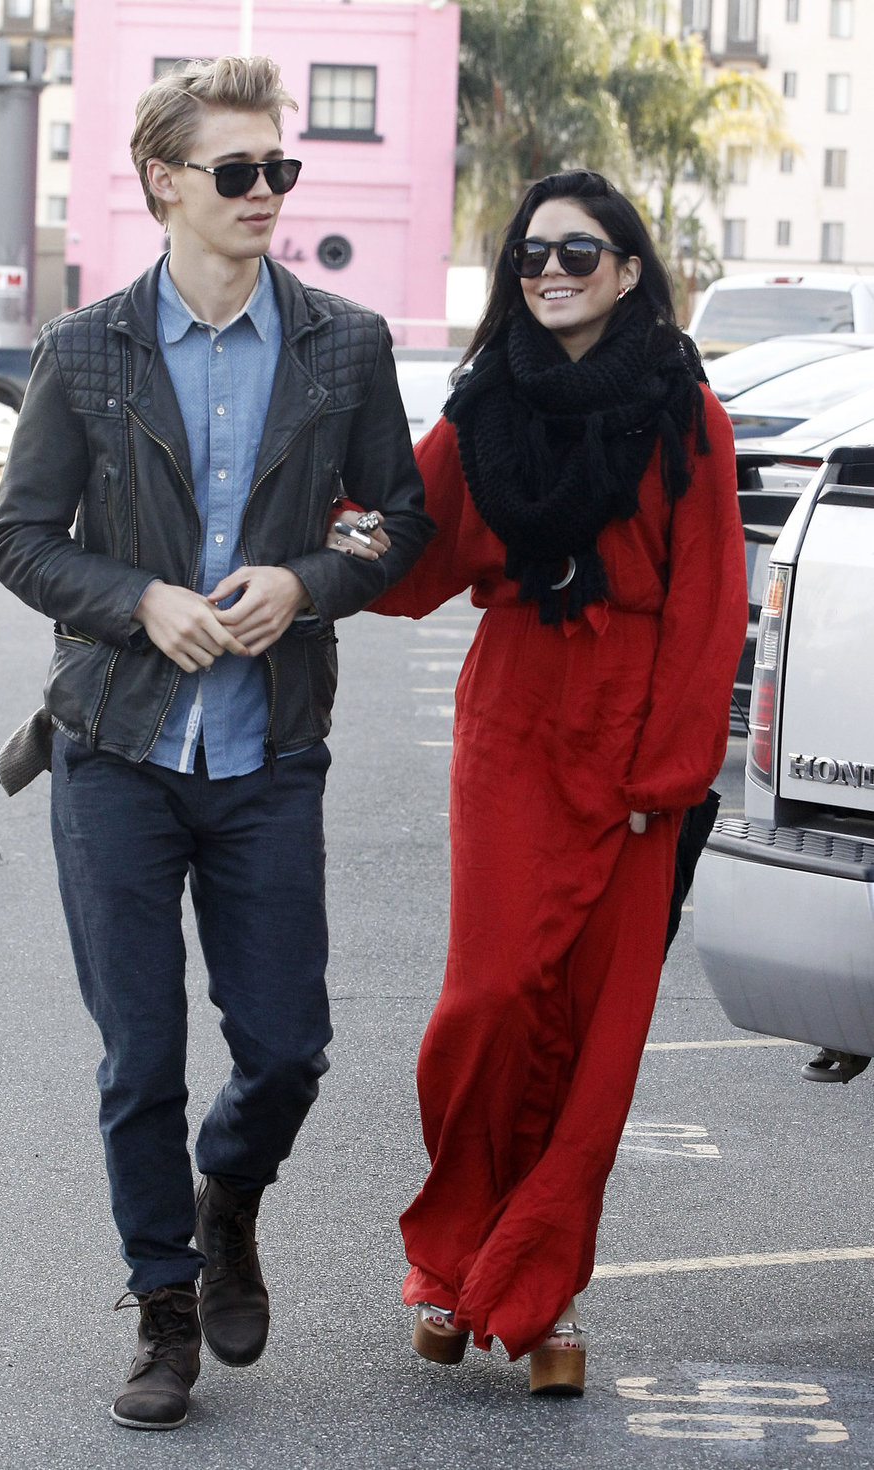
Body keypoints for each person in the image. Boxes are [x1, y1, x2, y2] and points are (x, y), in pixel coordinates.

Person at [0, 54, 431, 1432]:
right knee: (138, 1055)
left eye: (276, 171)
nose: (262, 194)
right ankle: (163, 1306)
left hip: (265, 751)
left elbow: (389, 519)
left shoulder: (344, 343)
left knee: (286, 1043)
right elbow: (18, 538)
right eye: (234, 172)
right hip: (117, 746)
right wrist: (139, 601)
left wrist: (307, 577)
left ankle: (225, 1190)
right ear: (162, 182)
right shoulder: (86, 348)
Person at [328, 170, 747, 1393]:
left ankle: (542, 1293)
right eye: (529, 253)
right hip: (514, 717)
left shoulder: (683, 413)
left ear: (627, 268)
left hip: (633, 735)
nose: (550, 269)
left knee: (593, 1034)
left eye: (578, 249)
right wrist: (332, 526)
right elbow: (413, 555)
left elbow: (712, 598)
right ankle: (461, 1255)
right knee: (493, 1002)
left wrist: (663, 772)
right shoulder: (488, 407)